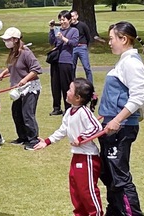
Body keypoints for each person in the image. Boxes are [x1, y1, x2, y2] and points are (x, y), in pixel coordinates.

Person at [33, 78, 103, 216]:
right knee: (75, 190)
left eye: (70, 90)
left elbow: (97, 127)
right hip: (76, 156)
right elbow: (62, 130)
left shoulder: (84, 112)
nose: (66, 91)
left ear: (78, 97)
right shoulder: (70, 112)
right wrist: (47, 141)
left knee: (87, 190)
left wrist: (81, 138)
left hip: (87, 157)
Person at [97, 21, 144, 216]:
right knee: (107, 172)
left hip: (122, 128)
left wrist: (116, 119)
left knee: (119, 176)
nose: (109, 43)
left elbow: (137, 98)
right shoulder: (123, 61)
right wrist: (105, 113)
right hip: (111, 126)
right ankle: (115, 211)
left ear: (123, 39)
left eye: (111, 38)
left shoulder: (132, 63)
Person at [0, 27, 42, 150]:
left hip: (29, 88)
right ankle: (23, 137)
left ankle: (33, 140)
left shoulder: (26, 52)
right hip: (17, 89)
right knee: (16, 113)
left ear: (15, 39)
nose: (6, 42)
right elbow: (13, 66)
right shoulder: (13, 52)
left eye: (7, 39)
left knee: (27, 114)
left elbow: (36, 69)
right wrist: (2, 74)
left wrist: (24, 80)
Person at [48, 10, 79, 116]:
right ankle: (56, 107)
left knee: (66, 86)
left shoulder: (74, 30)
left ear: (69, 20)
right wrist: (52, 29)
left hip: (66, 61)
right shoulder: (58, 30)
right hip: (56, 61)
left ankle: (68, 107)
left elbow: (74, 43)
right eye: (60, 19)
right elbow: (52, 41)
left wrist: (63, 38)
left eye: (64, 19)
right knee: (55, 85)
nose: (62, 22)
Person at [70, 10, 93, 83]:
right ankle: (73, 84)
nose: (72, 18)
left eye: (73, 16)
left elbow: (88, 36)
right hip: (73, 48)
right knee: (72, 67)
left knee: (87, 67)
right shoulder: (69, 26)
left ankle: (90, 84)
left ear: (77, 16)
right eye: (70, 17)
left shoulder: (83, 25)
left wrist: (86, 45)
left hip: (82, 47)